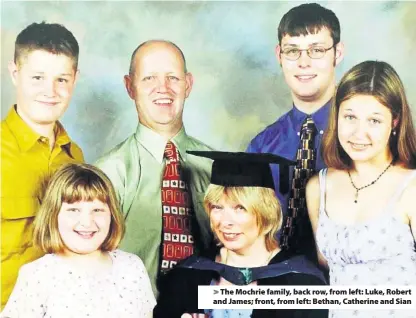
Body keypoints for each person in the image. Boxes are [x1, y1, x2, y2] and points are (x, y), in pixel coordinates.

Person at [95, 40, 214, 295]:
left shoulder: (217, 168)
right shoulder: (107, 174)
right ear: (130, 86)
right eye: (149, 78)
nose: (163, 89)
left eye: (173, 77)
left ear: (188, 84)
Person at [154, 151, 327, 318]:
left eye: (240, 208)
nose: (226, 222)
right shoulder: (186, 276)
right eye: (217, 207)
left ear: (266, 212)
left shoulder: (302, 281)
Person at [306, 60, 416, 318]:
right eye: (350, 117)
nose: (359, 133)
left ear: (395, 122)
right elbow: (325, 265)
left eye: (374, 121)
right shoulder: (317, 187)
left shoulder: (411, 188)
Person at [246, 3, 345, 260]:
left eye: (317, 50)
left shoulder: (364, 135)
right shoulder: (261, 147)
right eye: (293, 51)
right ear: (279, 55)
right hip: (276, 285)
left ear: (338, 53)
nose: (303, 63)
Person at [1, 163, 156, 318]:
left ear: (112, 215)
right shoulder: (37, 275)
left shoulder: (132, 267)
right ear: (53, 215)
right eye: (74, 210)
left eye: (97, 210)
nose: (87, 222)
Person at [1, 22, 84, 308]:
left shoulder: (75, 157)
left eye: (61, 79)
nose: (50, 91)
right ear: (15, 73)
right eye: (37, 77)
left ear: (75, 79)